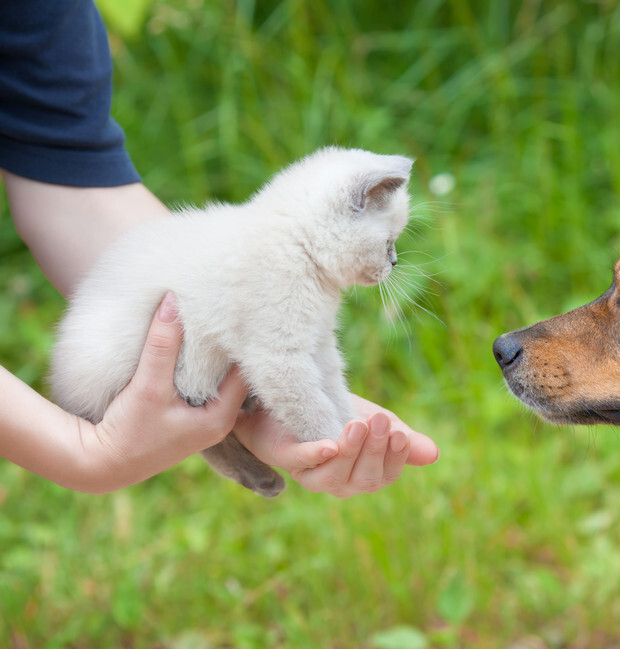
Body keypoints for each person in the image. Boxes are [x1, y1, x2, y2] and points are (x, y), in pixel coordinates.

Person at [0, 0, 438, 497]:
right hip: (102, 370)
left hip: (162, 356)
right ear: (346, 210)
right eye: (386, 243)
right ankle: (216, 429)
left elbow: (65, 161)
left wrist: (337, 415)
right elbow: (282, 363)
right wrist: (80, 451)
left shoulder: (280, 254)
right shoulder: (275, 260)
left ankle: (219, 427)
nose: (392, 261)